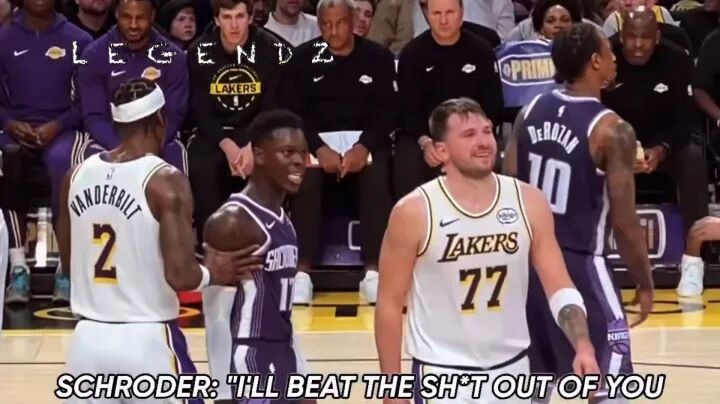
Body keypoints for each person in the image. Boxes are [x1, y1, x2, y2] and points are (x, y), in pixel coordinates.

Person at [376, 97, 600, 404]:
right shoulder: (414, 211)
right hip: (441, 375)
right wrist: (392, 390)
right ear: (441, 151)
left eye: (486, 131)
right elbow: (389, 304)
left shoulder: (528, 201)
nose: (483, 142)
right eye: (469, 135)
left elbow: (559, 286)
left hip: (514, 372)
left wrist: (583, 344)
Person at [56, 78, 262, 402]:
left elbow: (69, 267)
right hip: (147, 341)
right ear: (161, 120)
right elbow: (180, 275)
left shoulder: (75, 176)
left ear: (117, 123)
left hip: (86, 344)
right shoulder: (165, 180)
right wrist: (213, 272)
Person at [502, 23, 654, 403]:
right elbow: (624, 222)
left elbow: (509, 184)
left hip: (531, 265)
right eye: (608, 51)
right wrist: (644, 281)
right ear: (595, 62)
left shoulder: (530, 110)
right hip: (581, 264)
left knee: (536, 383)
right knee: (608, 384)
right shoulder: (613, 130)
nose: (615, 57)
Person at [282, 0, 397, 305]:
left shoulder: (378, 58)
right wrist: (318, 148)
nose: (333, 31)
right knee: (304, 173)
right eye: (327, 25)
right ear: (319, 25)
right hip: (319, 147)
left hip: (365, 146)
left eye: (341, 23)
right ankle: (302, 273)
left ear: (353, 20)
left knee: (377, 170)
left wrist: (364, 146)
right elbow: (294, 113)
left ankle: (373, 272)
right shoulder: (303, 59)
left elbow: (388, 111)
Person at [202, 110, 313, 403]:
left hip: (284, 353)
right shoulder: (232, 222)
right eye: (287, 152)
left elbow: (282, 315)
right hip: (248, 360)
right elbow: (216, 316)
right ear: (260, 155)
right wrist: (224, 392)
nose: (299, 161)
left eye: (303, 153)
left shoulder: (284, 221)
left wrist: (302, 375)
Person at [0, 0, 93, 304]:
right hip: (14, 129)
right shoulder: (3, 38)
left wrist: (58, 124)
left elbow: (88, 102)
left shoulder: (79, 40)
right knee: (8, 158)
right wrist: (10, 123)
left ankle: (66, 268)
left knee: (62, 161)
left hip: (63, 129)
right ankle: (18, 268)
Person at [186, 0, 287, 257]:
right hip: (215, 133)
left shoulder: (271, 49)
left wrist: (251, 145)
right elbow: (200, 113)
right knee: (203, 165)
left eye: (240, 16)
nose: (234, 25)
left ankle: (265, 247)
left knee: (270, 161)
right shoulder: (199, 51)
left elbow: (272, 108)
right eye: (227, 17)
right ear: (216, 19)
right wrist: (228, 146)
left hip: (257, 131)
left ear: (250, 18)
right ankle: (210, 249)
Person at [394, 0, 504, 200]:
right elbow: (408, 108)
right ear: (427, 15)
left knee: (487, 151)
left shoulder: (481, 51)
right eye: (436, 14)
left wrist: (468, 137)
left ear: (461, 13)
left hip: (471, 130)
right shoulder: (412, 53)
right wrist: (426, 142)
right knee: (407, 159)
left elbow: (493, 105)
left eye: (450, 12)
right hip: (425, 135)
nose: (443, 20)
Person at [76, 0, 189, 173]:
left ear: (152, 16)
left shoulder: (174, 56)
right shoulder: (94, 55)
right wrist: (126, 150)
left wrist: (148, 148)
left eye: (140, 18)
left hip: (158, 140)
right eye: (127, 17)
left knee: (175, 154)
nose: (133, 25)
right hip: (108, 140)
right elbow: (94, 117)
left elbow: (174, 115)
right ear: (116, 14)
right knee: (88, 160)